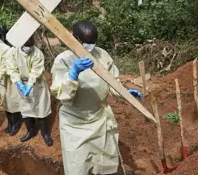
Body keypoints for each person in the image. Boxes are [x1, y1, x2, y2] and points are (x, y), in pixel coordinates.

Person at [50, 20, 142, 175]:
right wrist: (72, 74)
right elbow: (61, 93)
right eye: (86, 43)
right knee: (78, 166)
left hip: (101, 120)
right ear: (75, 38)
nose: (90, 46)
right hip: (76, 124)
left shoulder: (102, 55)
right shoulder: (63, 60)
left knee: (104, 164)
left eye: (93, 42)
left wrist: (124, 93)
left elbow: (113, 82)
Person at [7, 36, 53, 146]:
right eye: (26, 47)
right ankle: (30, 131)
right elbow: (12, 69)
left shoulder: (37, 53)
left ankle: (45, 133)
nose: (28, 49)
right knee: (26, 109)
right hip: (21, 83)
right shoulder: (13, 52)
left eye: (30, 47)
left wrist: (30, 85)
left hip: (37, 84)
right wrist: (19, 83)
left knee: (42, 108)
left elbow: (35, 71)